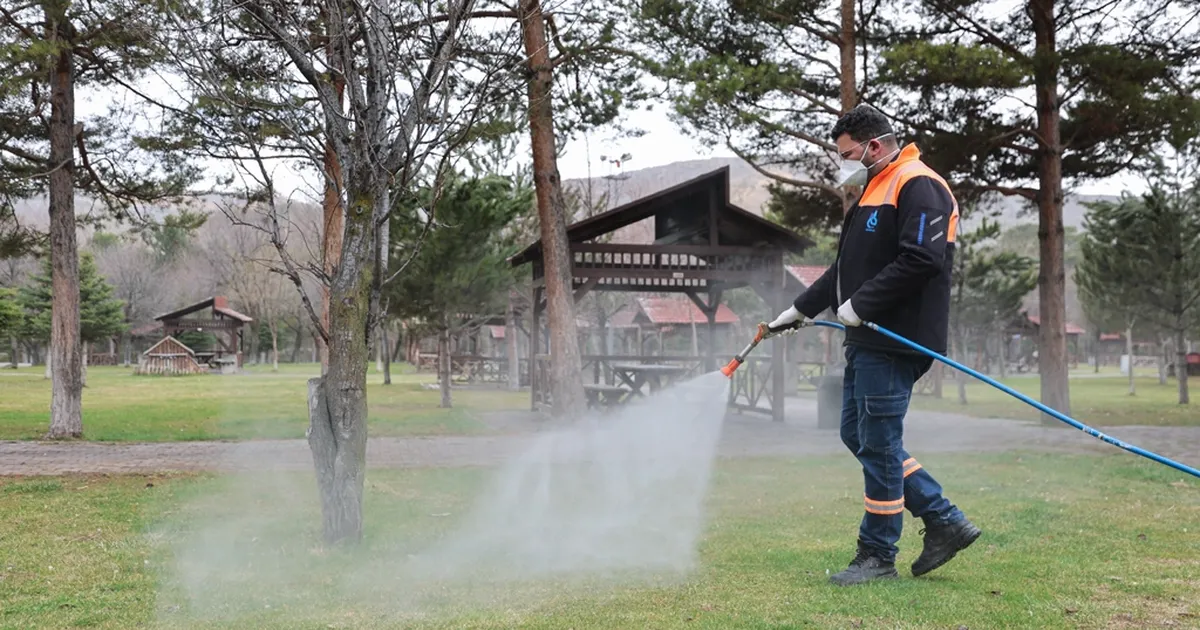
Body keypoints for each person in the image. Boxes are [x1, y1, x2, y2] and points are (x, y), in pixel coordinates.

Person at [770, 104, 981, 586]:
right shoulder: (876, 186)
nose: (845, 163)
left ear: (875, 145)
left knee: (880, 444)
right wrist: (802, 308)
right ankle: (944, 519)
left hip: (896, 339)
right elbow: (845, 270)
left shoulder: (918, 183)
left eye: (849, 154)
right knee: (859, 435)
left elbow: (922, 259)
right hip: (867, 338)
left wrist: (862, 304)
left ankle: (877, 555)